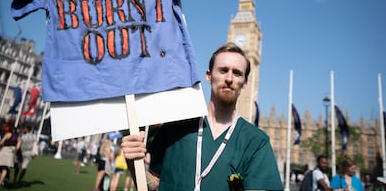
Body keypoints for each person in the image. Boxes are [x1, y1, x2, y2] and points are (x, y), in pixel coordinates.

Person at [121, 43, 283, 191]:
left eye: (237, 73)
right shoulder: (174, 127)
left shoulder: (256, 142)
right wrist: (133, 162)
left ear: (245, 82)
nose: (229, 78)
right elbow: (154, 184)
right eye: (223, 70)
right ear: (208, 76)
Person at [0, 124, 22, 191]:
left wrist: (1, 146)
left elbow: (1, 143)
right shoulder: (19, 138)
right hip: (10, 153)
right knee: (5, 169)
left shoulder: (7, 134)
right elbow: (17, 148)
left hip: (4, 151)